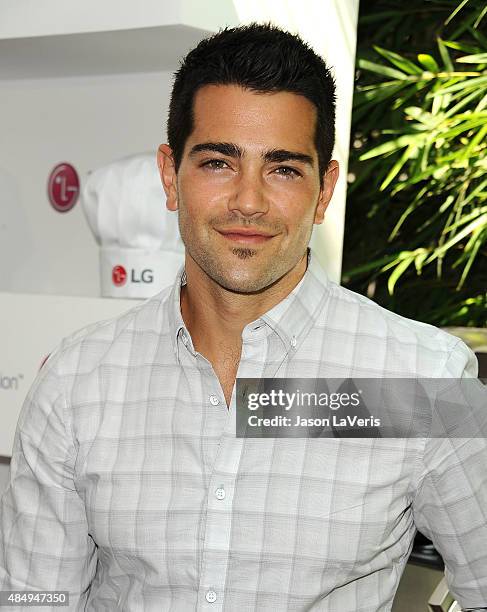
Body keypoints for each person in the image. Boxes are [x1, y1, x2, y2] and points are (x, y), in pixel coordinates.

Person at [1, 22, 486, 612]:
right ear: (169, 175)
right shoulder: (77, 379)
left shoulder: (425, 380)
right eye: (218, 163)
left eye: (282, 168)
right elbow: (37, 598)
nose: (249, 202)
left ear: (325, 189)